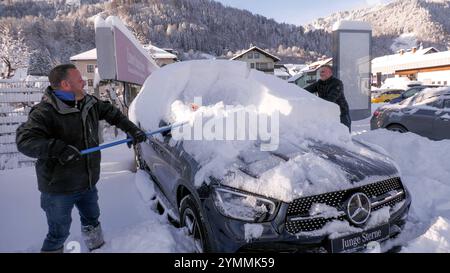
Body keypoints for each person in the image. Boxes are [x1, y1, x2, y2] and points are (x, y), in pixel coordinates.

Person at [16, 64, 147, 253]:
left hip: (87, 182)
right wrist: (58, 149)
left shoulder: (88, 103)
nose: (84, 81)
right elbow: (25, 141)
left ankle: (98, 248)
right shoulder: (44, 112)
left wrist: (132, 129)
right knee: (58, 233)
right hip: (59, 189)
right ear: (65, 84)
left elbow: (112, 114)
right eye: (79, 79)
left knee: (92, 222)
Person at [304, 65, 351, 131]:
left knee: (343, 135)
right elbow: (304, 91)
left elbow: (330, 99)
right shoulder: (319, 83)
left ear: (330, 73)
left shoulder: (337, 83)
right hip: (326, 113)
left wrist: (314, 103)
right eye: (320, 72)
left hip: (341, 113)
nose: (321, 74)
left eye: (323, 72)